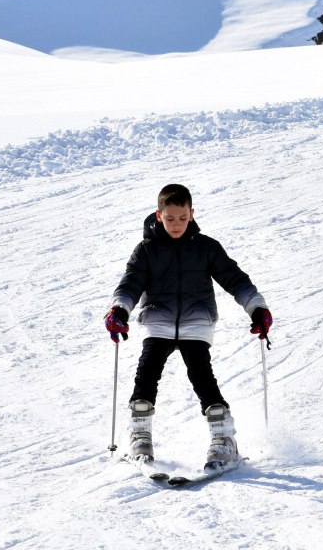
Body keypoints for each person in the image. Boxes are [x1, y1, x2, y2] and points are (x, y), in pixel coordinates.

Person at [104, 184, 272, 470]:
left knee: (201, 375)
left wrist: (257, 308)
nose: (176, 224)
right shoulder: (147, 250)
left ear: (191, 214)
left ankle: (223, 438)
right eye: (170, 218)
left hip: (197, 322)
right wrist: (120, 309)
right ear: (159, 215)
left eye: (182, 218)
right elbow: (131, 282)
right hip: (158, 321)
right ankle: (140, 435)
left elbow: (235, 279)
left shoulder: (206, 247)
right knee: (147, 373)